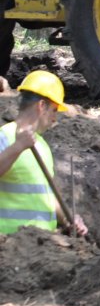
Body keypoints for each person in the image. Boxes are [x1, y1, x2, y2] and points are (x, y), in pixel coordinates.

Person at [0, 71, 86, 238]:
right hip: (10, 245)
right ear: (41, 106)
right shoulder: (4, 136)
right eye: (54, 110)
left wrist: (68, 219)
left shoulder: (42, 146)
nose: (55, 119)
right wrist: (17, 147)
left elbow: (47, 196)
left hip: (43, 245)